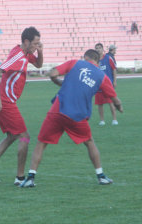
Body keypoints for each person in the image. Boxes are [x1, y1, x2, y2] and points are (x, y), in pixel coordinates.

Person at [20, 49, 123, 188]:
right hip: (77, 115)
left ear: (85, 57)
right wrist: (119, 107)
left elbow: (52, 73)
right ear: (97, 61)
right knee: (89, 142)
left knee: (42, 143)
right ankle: (101, 176)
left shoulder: (75, 63)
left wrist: (58, 82)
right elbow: (115, 98)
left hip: (57, 110)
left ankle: (30, 177)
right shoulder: (101, 76)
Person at [0, 27, 43, 185]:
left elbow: (38, 65)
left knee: (12, 136)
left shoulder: (25, 53)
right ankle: (20, 178)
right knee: (25, 137)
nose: (37, 46)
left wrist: (40, 51)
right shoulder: (18, 56)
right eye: (35, 43)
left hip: (6, 101)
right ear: (26, 42)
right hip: (5, 102)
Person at [95, 43, 118, 126]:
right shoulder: (94, 60)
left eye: (99, 48)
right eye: (96, 48)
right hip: (98, 85)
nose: (98, 49)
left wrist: (114, 81)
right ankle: (102, 120)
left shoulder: (108, 58)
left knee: (111, 102)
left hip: (108, 85)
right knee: (100, 104)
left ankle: (114, 119)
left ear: (102, 49)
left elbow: (114, 70)